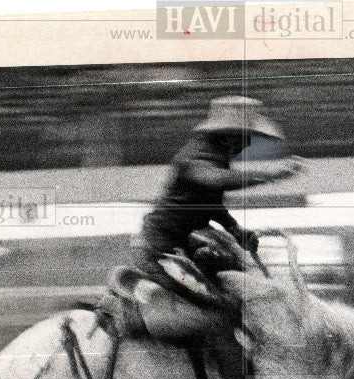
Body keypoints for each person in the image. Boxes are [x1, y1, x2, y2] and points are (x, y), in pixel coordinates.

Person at [118, 96, 301, 343]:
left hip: (180, 244)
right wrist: (272, 175)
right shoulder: (194, 158)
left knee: (235, 276)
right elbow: (215, 180)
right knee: (222, 308)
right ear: (227, 135)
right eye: (244, 137)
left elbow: (211, 203)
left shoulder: (215, 155)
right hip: (159, 252)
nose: (246, 144)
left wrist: (237, 231)